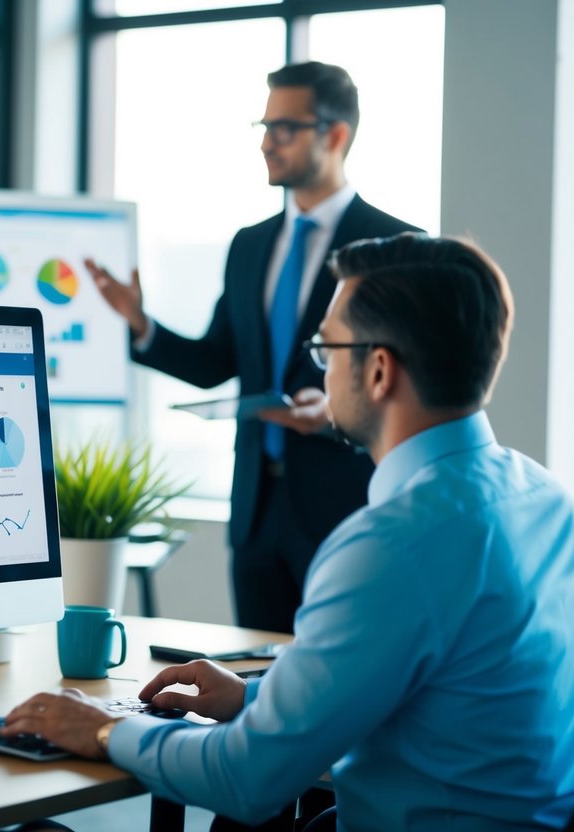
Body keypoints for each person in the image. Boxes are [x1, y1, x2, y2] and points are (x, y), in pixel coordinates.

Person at [6, 234, 574, 831]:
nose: (320, 370)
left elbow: (246, 779)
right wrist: (256, 697)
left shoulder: (393, 545)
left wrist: (105, 729)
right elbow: (445, 693)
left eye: (327, 350)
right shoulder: (560, 509)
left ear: (378, 371)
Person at [87, 61, 419, 632]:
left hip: (345, 506)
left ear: (335, 135)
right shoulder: (249, 246)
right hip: (256, 517)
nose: (266, 143)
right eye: (262, 126)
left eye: (283, 128)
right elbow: (217, 362)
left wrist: (337, 415)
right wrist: (141, 325)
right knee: (256, 683)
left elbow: (408, 381)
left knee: (336, 689)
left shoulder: (395, 246)